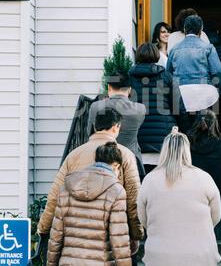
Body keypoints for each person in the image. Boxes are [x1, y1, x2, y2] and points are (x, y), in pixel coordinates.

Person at [38, 108, 143, 256]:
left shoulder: (73, 155)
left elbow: (55, 197)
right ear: (116, 127)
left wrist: (44, 228)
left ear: (95, 126)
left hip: (76, 236)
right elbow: (133, 200)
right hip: (113, 236)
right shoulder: (125, 155)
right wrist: (136, 234)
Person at [137, 128, 221, 266]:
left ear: (164, 150)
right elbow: (215, 217)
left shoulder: (149, 180)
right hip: (201, 256)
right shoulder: (204, 178)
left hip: (159, 257)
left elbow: (144, 220)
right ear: (187, 151)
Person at [47, 142, 131, 265]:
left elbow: (56, 235)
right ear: (116, 166)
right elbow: (119, 240)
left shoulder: (66, 187)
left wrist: (51, 263)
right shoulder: (116, 191)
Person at [128, 43, 189, 173]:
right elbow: (178, 108)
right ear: (156, 56)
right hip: (163, 141)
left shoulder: (129, 78)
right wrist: (186, 131)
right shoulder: (166, 76)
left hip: (137, 140)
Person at [87, 71, 147, 177]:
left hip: (102, 162)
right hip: (131, 162)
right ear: (129, 90)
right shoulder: (140, 109)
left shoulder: (96, 107)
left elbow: (89, 133)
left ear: (109, 87)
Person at [189, 110, 221, 239]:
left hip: (192, 196)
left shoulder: (189, 145)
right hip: (216, 197)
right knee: (213, 238)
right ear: (215, 124)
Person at [167, 15, 221, 112]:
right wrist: (216, 87)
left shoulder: (174, 49)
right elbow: (219, 71)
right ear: (200, 31)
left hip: (180, 92)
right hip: (203, 92)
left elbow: (168, 73)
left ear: (185, 30)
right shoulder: (208, 47)